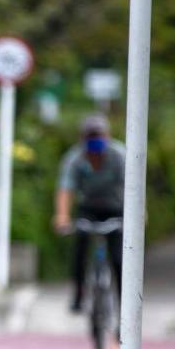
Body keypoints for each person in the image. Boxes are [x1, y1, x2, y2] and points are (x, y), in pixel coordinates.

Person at [53, 113, 126, 312]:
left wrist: (138, 214)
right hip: (88, 209)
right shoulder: (75, 158)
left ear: (107, 136)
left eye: (98, 136)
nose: (95, 142)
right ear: (82, 138)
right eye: (90, 137)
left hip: (115, 209)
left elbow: (134, 187)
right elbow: (65, 189)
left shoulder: (120, 155)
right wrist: (62, 216)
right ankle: (78, 293)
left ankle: (124, 306)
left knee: (120, 259)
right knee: (80, 249)